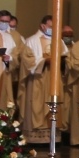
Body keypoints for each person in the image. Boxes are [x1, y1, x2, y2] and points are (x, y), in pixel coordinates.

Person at [15, 15, 58, 143]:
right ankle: (34, 138)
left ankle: (52, 137)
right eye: (50, 27)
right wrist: (45, 60)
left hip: (53, 80)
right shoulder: (31, 41)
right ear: (42, 26)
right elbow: (27, 61)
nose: (53, 29)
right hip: (37, 79)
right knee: (36, 106)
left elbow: (66, 58)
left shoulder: (58, 41)